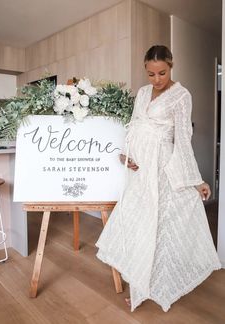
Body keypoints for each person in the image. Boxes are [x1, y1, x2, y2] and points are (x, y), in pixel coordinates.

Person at [95, 45, 221, 312]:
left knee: (159, 225)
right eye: (151, 74)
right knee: (138, 224)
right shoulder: (142, 93)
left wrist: (196, 181)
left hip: (163, 167)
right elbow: (134, 125)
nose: (156, 80)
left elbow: (183, 140)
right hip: (139, 169)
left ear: (171, 66)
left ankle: (159, 285)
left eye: (162, 73)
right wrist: (125, 154)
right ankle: (139, 284)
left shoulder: (181, 96)